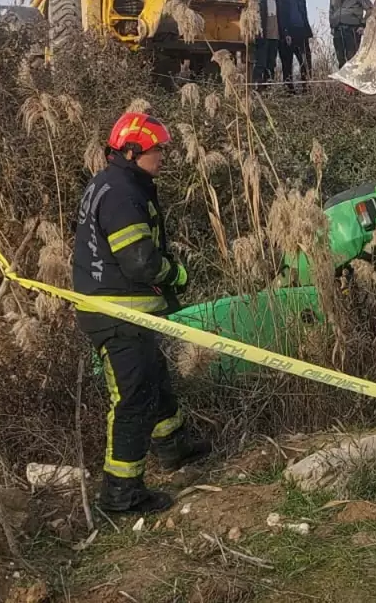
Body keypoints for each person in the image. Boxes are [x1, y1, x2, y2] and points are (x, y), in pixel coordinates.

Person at [73, 113, 211, 514]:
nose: (163, 157)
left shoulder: (114, 182)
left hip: (124, 310)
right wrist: (178, 274)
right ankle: (121, 491)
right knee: (132, 399)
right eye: (157, 150)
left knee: (154, 380)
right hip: (119, 314)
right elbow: (139, 261)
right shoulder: (121, 192)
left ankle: (174, 447)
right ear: (132, 152)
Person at [329, 0, 373, 67]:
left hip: (352, 29)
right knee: (341, 59)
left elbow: (370, 9)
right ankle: (342, 82)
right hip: (338, 31)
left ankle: (352, 82)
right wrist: (332, 27)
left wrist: (363, 25)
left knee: (352, 59)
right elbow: (331, 11)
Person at [278, 0, 312, 93]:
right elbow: (279, 16)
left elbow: (304, 13)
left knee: (306, 62)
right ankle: (289, 90)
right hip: (286, 34)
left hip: (301, 32)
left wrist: (307, 32)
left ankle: (307, 88)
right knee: (287, 63)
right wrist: (285, 32)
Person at [249, 0, 281, 87]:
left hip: (275, 34)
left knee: (271, 65)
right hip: (262, 35)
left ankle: (269, 90)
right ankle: (257, 89)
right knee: (260, 64)